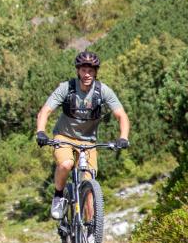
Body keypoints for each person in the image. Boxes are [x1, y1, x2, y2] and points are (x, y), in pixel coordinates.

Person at [35, 51, 130, 221]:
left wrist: (123, 137)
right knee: (66, 164)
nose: (87, 74)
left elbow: (121, 115)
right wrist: (41, 132)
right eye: (84, 70)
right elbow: (45, 111)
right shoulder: (67, 88)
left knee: (89, 185)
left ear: (96, 72)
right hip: (64, 136)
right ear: (78, 71)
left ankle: (91, 228)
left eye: (91, 71)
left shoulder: (103, 91)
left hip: (88, 142)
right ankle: (58, 196)